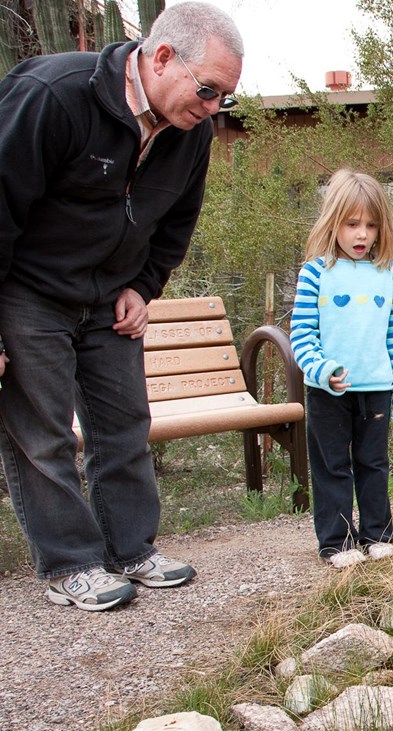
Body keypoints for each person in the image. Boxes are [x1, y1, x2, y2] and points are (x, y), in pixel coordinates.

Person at [0, 2, 243, 612]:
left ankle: (131, 548)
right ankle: (70, 563)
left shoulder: (189, 133)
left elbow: (176, 223)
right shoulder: (52, 96)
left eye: (225, 98)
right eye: (208, 90)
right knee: (45, 436)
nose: (214, 108)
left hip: (109, 300)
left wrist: (145, 285)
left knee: (125, 425)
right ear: (162, 57)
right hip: (29, 293)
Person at [291, 169, 393, 569]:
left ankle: (377, 533)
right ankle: (337, 541)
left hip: (377, 388)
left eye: (370, 225)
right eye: (352, 224)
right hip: (329, 390)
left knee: (373, 463)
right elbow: (301, 335)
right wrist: (321, 368)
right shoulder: (315, 272)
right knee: (332, 465)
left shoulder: (388, 274)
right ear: (334, 222)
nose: (362, 234)